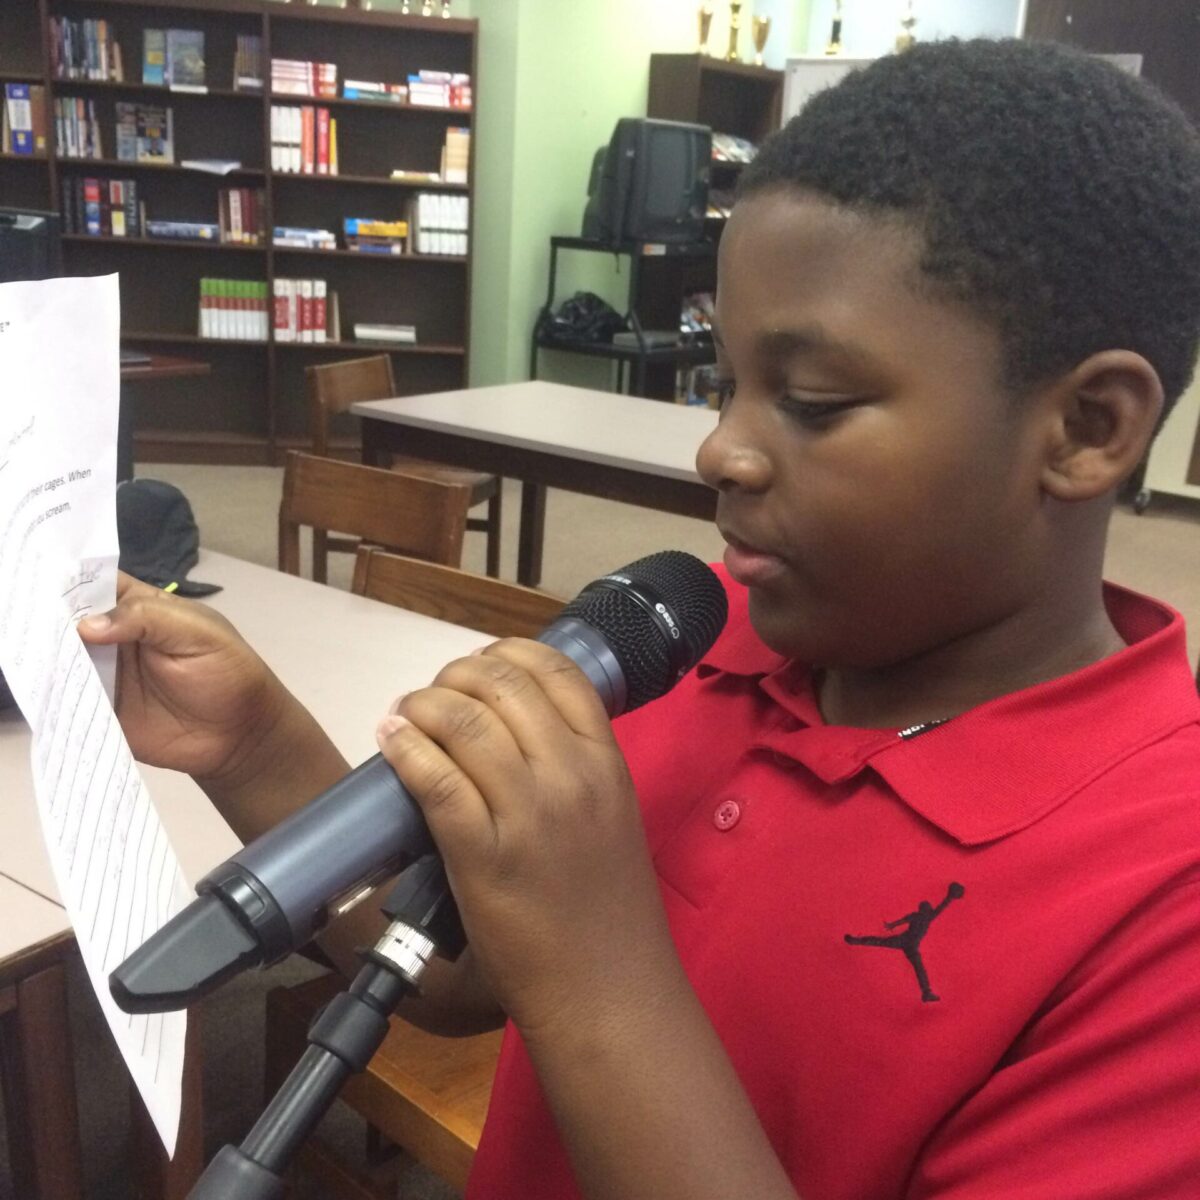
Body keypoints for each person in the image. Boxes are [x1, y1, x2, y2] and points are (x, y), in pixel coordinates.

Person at [79, 38, 1200, 1200]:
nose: (722, 447)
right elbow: (462, 984)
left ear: (1087, 429)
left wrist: (596, 967)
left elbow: (569, 974)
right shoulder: (703, 644)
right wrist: (258, 745)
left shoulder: (1164, 908)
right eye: (723, 385)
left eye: (812, 401)